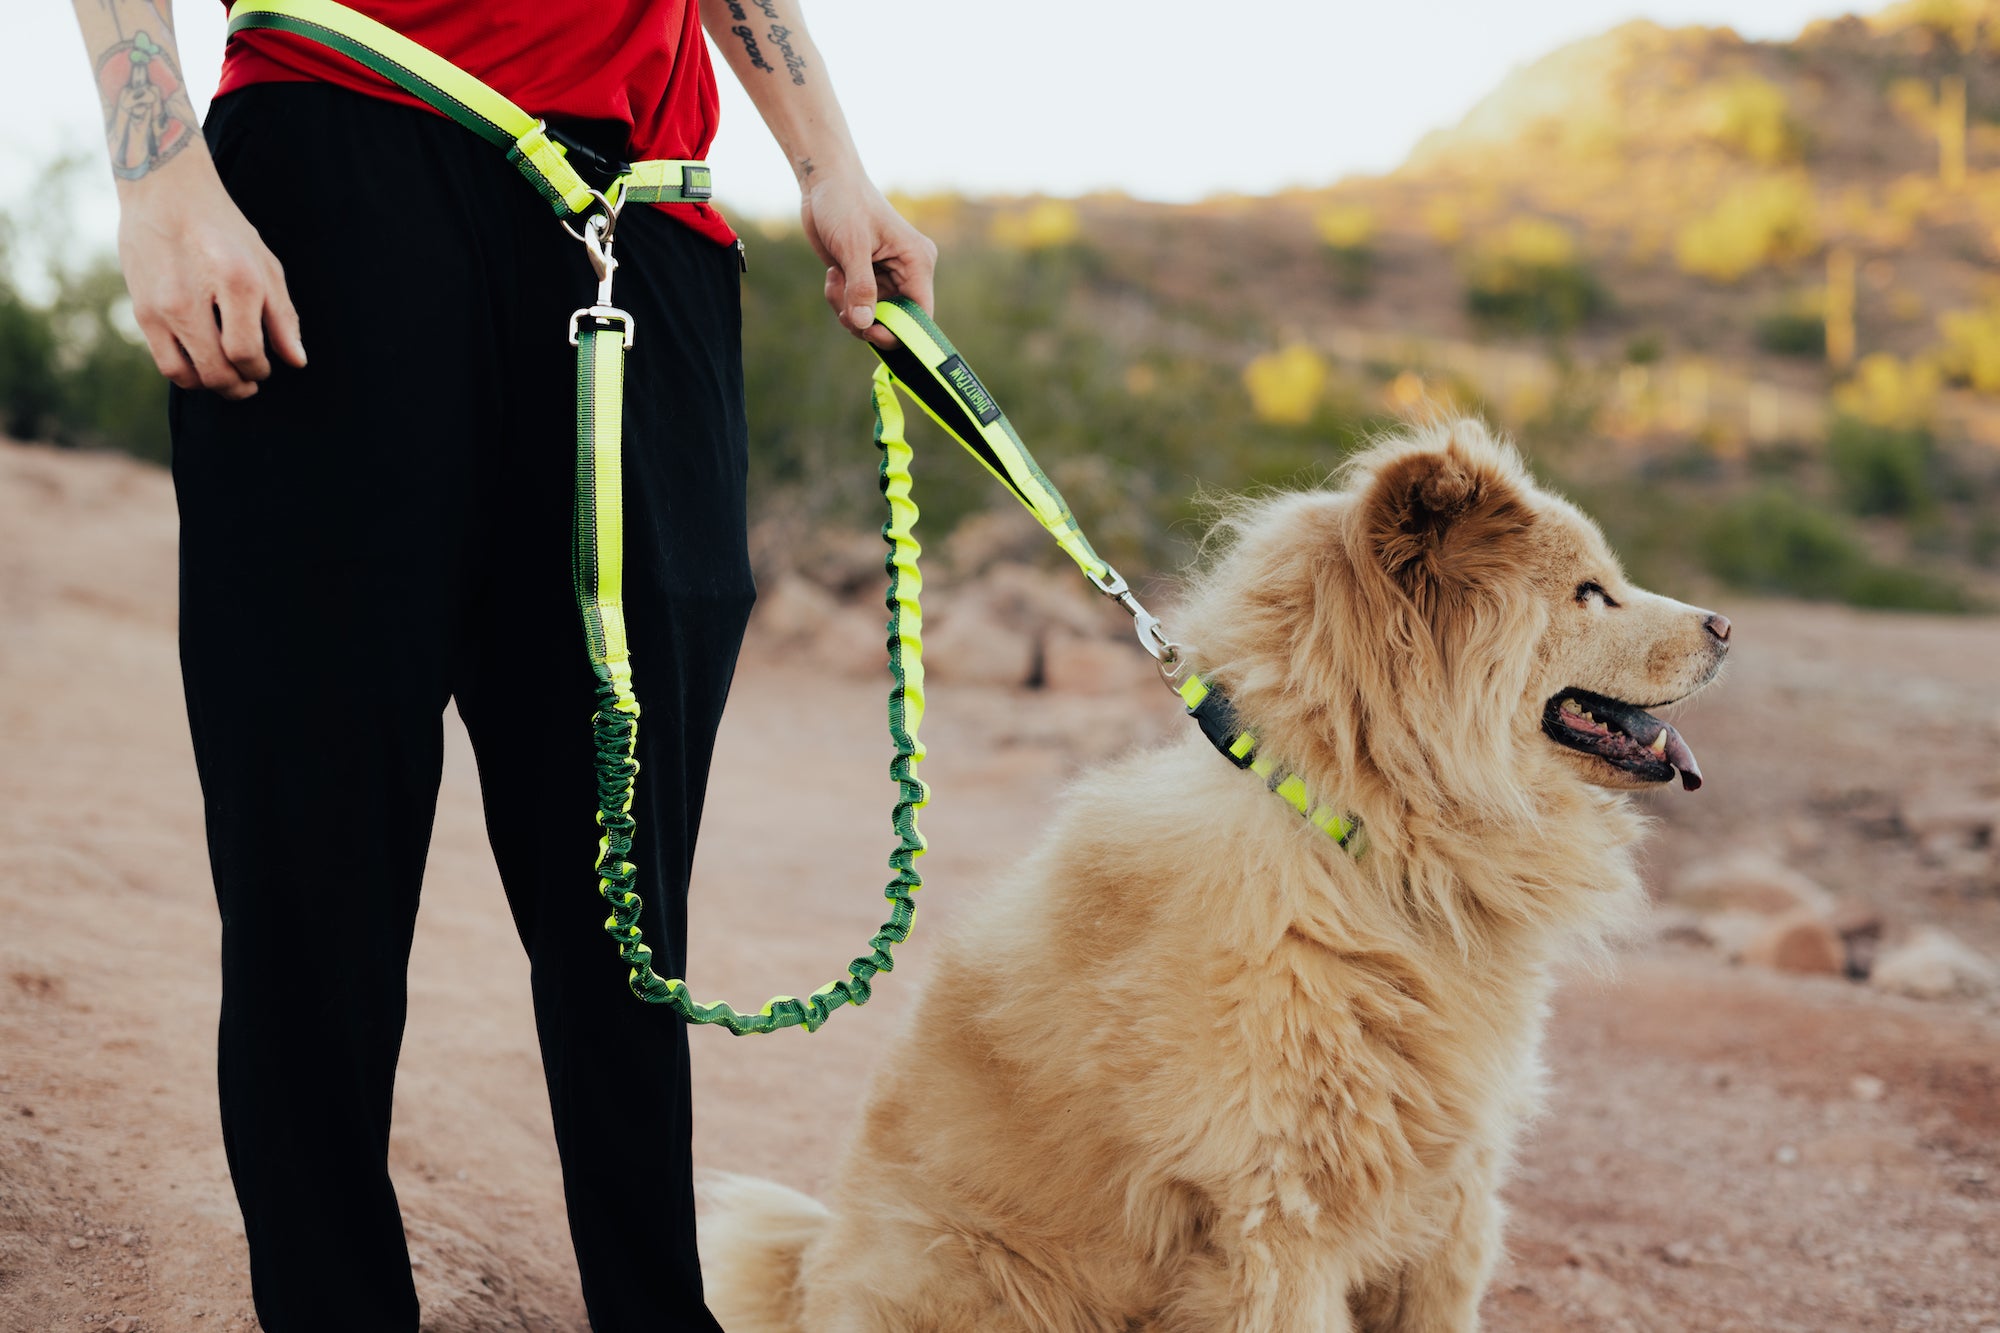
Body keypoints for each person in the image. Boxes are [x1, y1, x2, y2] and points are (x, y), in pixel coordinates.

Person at [64, 1, 937, 1329]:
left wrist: (828, 162)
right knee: (315, 868)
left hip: (646, 224)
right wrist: (160, 169)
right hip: (336, 149)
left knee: (625, 890)